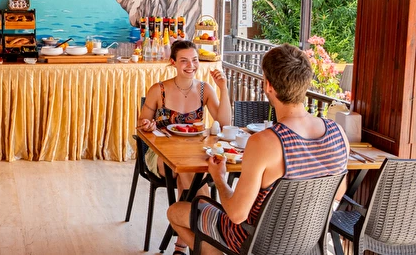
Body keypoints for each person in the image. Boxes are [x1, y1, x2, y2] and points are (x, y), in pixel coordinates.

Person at [166, 44, 350, 255]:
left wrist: (219, 179)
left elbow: (236, 215)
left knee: (176, 212)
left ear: (268, 85)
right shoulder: (338, 133)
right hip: (307, 241)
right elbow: (339, 194)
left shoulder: (265, 142)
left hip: (255, 241)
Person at [138, 39, 232, 254]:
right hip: (160, 156)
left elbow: (225, 123)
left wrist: (224, 88)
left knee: (188, 174)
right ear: (173, 62)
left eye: (195, 60)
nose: (191, 65)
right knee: (192, 174)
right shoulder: (158, 90)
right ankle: (208, 235)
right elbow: (142, 124)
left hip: (193, 154)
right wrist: (147, 125)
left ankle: (184, 245)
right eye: (184, 61)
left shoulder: (205, 90)